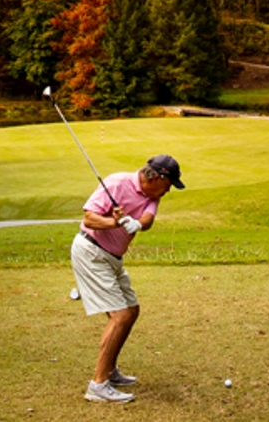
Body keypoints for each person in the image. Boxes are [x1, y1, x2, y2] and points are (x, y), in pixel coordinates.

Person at [70, 154, 184, 403]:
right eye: (169, 184)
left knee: (131, 311)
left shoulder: (153, 195)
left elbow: (148, 219)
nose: (168, 190)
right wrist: (115, 222)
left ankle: (109, 370)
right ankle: (98, 385)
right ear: (157, 177)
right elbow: (89, 218)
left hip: (113, 258)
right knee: (120, 316)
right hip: (91, 251)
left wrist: (135, 224)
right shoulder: (116, 183)